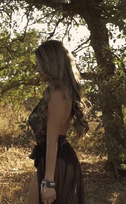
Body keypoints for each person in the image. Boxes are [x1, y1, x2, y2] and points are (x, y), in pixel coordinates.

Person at [27, 40, 89, 204]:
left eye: (40, 64)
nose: (37, 69)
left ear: (51, 63)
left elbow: (52, 142)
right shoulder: (59, 92)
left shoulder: (58, 94)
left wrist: (48, 182)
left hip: (57, 163)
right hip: (54, 161)